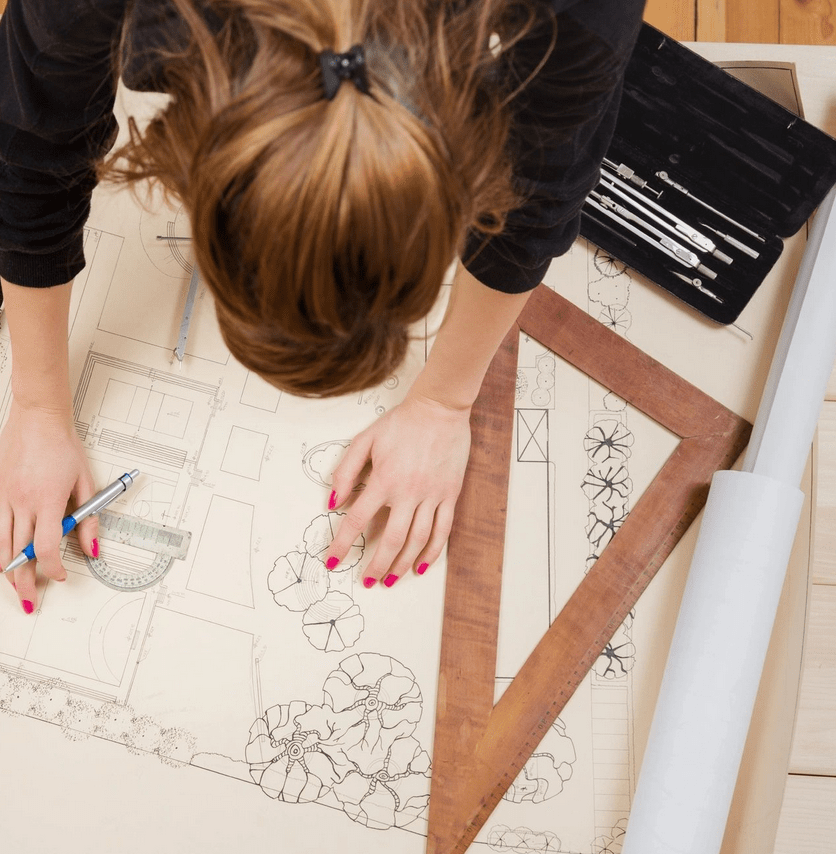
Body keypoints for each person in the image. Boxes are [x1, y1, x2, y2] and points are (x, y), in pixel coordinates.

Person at [0, 0, 644, 613]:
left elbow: (538, 204)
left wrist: (445, 400)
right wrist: (37, 403)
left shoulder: (573, 19)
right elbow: (29, 153)